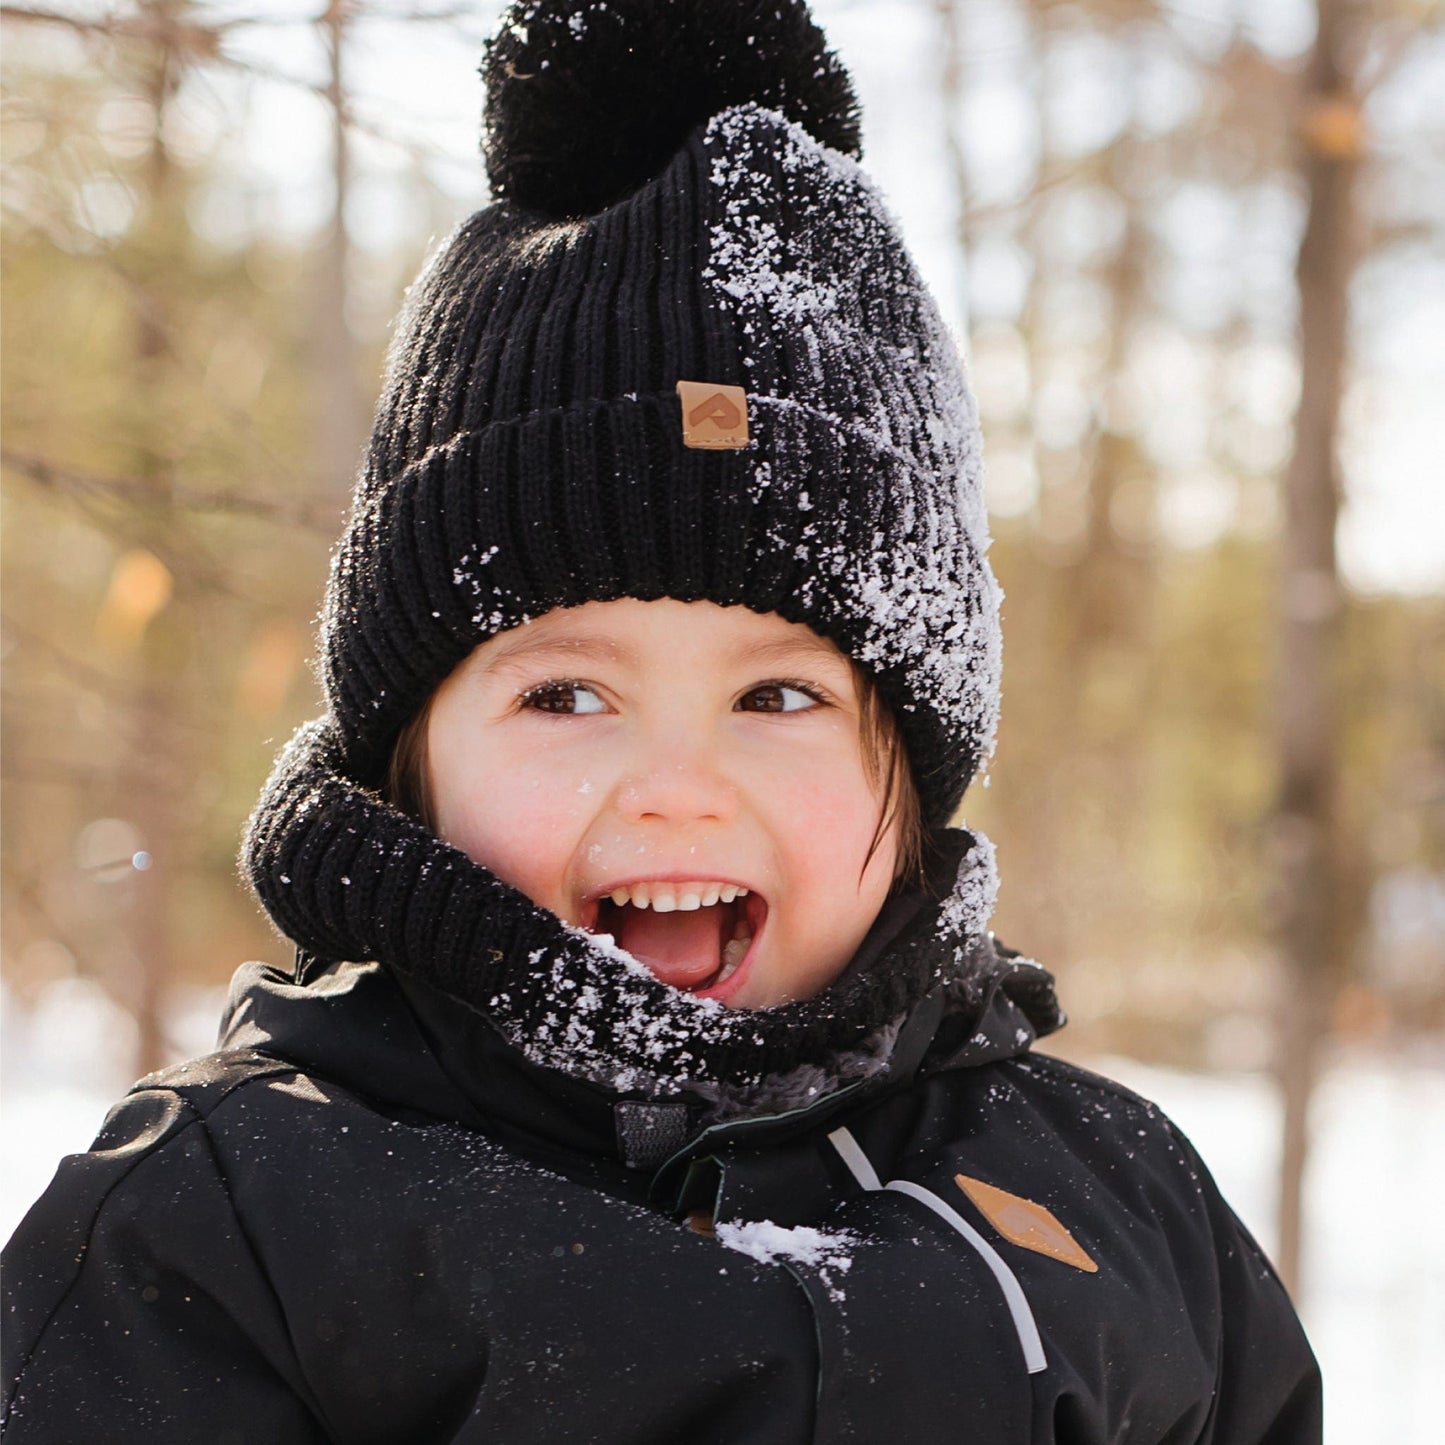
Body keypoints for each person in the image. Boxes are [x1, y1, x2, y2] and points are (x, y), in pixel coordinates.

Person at [1, 1, 1321, 1440]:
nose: (675, 787)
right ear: (411, 759)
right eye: (567, 694)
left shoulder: (1110, 1198)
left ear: (915, 751)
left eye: (779, 695)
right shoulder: (231, 1215)